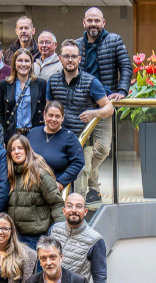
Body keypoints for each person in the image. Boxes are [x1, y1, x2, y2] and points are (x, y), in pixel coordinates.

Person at [75, 6, 132, 205]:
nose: (93, 24)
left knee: (102, 148)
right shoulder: (76, 45)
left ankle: (80, 173)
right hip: (81, 105)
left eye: (96, 20)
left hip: (104, 103)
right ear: (84, 23)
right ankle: (94, 190)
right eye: (89, 20)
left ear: (103, 22)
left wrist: (122, 91)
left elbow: (126, 66)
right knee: (84, 148)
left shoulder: (114, 40)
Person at [45, 40, 113, 189]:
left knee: (79, 187)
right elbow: (48, 108)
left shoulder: (91, 82)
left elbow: (109, 108)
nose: (70, 60)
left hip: (82, 141)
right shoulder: (52, 81)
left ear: (79, 59)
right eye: (67, 56)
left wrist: (94, 113)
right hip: (59, 140)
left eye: (74, 56)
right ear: (60, 58)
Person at [46, 194, 105, 283]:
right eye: (69, 206)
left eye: (79, 206)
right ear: (64, 210)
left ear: (85, 211)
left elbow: (99, 277)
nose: (74, 210)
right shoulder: (54, 230)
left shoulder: (95, 240)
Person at [5, 134, 64, 249]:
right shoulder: (10, 174)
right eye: (12, 149)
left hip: (36, 237)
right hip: (15, 237)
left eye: (20, 148)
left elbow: (56, 203)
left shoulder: (40, 174)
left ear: (27, 150)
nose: (16, 152)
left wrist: (62, 234)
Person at [28, 102, 85, 193]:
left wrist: (61, 182)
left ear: (63, 117)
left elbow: (78, 163)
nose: (53, 119)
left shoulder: (69, 137)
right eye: (50, 115)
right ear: (44, 115)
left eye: (57, 116)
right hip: (29, 186)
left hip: (53, 189)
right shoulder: (33, 133)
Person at [0, 49, 47, 140]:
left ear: (31, 64)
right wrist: (1, 138)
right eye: (20, 60)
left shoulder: (41, 84)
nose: (23, 64)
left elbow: (45, 111)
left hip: (34, 136)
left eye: (27, 61)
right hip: (11, 135)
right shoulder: (5, 84)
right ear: (14, 63)